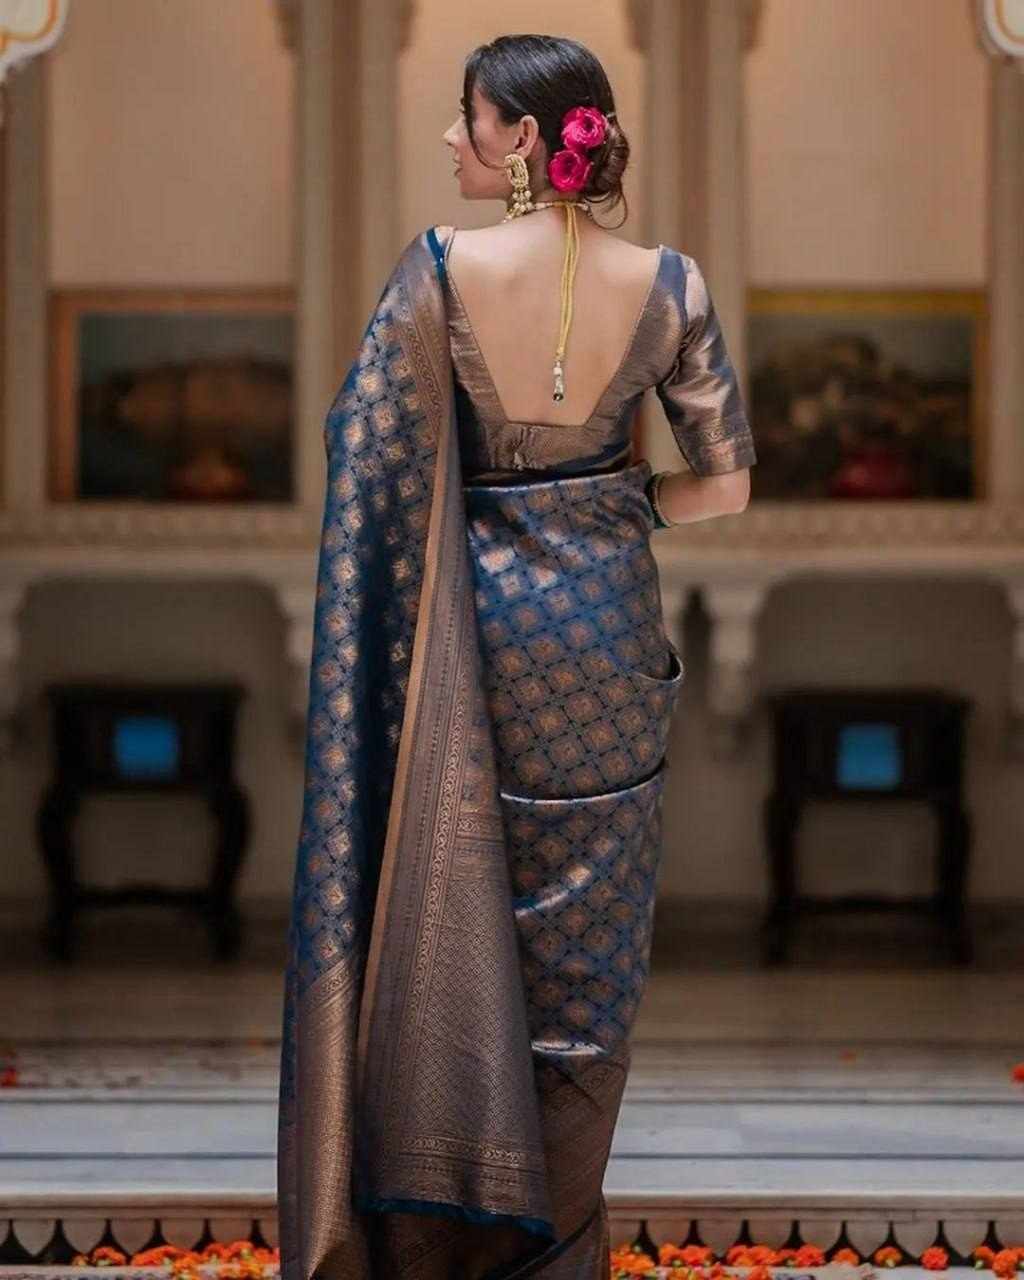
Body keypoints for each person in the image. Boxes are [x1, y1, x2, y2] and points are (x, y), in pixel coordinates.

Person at [277, 33, 756, 1280]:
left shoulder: (439, 270)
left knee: (454, 913)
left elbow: (363, 449)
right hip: (605, 645)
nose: (453, 138)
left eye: (470, 118)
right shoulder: (672, 283)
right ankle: (558, 1251)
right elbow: (725, 486)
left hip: (471, 645)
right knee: (587, 959)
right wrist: (613, 502)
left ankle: (445, 1232)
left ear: (529, 138)